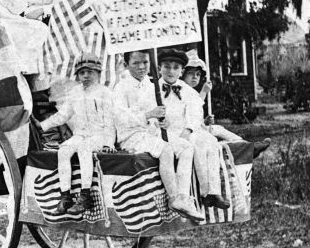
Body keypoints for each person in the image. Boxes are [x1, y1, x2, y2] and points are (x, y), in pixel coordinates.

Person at [37, 53, 148, 215]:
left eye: (90, 72)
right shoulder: (74, 93)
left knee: (84, 148)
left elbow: (110, 121)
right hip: (80, 134)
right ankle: (65, 196)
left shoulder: (105, 93)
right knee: (63, 151)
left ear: (98, 73)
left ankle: (85, 196)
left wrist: (109, 143)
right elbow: (63, 115)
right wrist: (43, 125)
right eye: (82, 73)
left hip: (99, 135)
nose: (86, 76)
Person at [114, 50, 204, 221]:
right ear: (126, 65)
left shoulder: (151, 84)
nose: (141, 67)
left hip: (150, 132)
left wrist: (161, 122)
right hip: (131, 135)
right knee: (166, 149)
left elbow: (155, 116)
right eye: (135, 63)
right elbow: (120, 118)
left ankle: (184, 198)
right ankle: (173, 197)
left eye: (145, 63)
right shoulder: (121, 87)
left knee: (186, 147)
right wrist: (148, 115)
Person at [156, 48, 218, 216]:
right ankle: (180, 197)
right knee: (183, 147)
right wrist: (156, 121)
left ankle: (204, 193)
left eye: (176, 68)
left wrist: (188, 129)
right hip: (158, 134)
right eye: (166, 67)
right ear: (159, 68)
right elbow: (143, 111)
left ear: (181, 71)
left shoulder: (187, 90)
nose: (170, 71)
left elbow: (195, 113)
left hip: (181, 134)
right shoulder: (151, 88)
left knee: (201, 142)